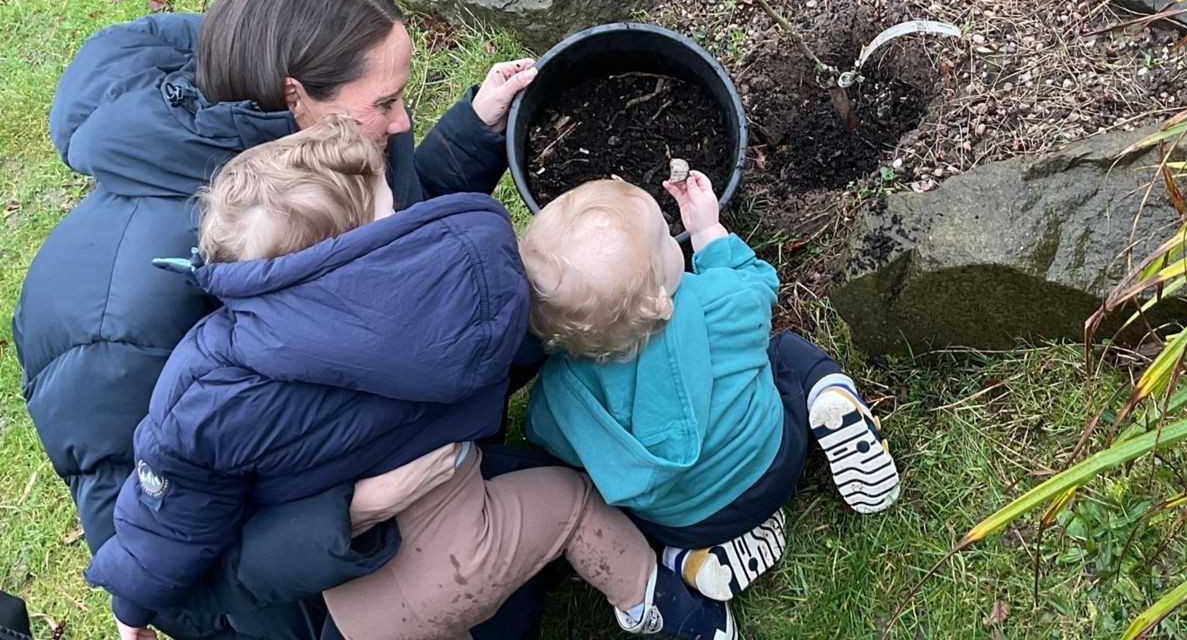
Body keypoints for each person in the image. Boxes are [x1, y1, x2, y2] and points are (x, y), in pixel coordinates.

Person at [11, 0, 542, 640]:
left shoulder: (318, 147)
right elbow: (166, 572)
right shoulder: (115, 324)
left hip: (374, 450)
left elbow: (383, 244)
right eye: (387, 104)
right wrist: (349, 514)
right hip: (286, 581)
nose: (402, 119)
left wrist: (471, 131)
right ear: (297, 100)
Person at [86, 117, 735, 640]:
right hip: (456, 551)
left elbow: (170, 512)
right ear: (360, 245)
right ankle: (665, 610)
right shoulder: (454, 290)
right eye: (389, 205)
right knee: (572, 503)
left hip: (350, 603)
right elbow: (530, 321)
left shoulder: (206, 387)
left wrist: (133, 603)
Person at [520, 171, 902, 602]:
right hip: (774, 456)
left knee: (619, 510)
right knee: (786, 351)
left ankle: (694, 558)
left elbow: (544, 437)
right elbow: (759, 283)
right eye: (667, 239)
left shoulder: (561, 395)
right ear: (659, 300)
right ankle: (828, 395)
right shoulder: (714, 300)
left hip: (689, 521)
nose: (673, 239)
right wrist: (705, 232)